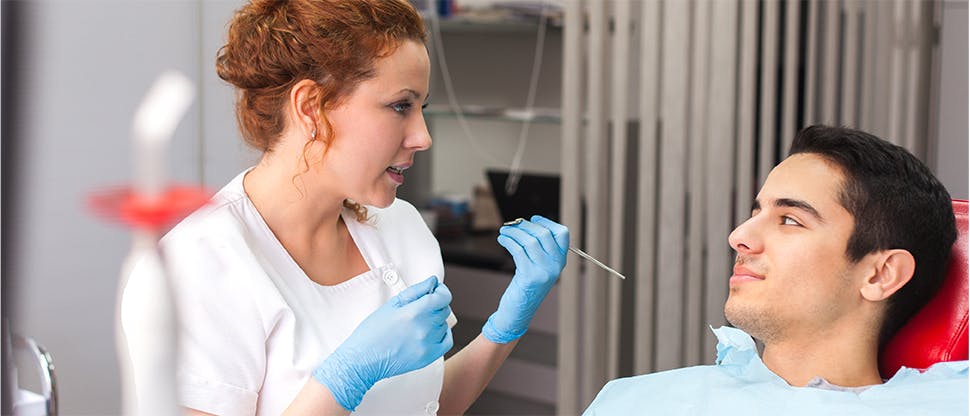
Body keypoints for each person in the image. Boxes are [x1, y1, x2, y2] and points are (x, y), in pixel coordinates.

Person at [121, 1, 569, 415]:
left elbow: (426, 406)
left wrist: (505, 325)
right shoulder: (198, 265)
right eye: (400, 106)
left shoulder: (401, 228)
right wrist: (341, 380)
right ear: (311, 106)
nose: (423, 136)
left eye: (421, 108)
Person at [583, 125, 968, 415]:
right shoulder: (636, 402)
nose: (738, 236)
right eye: (756, 213)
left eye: (789, 220)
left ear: (880, 274)